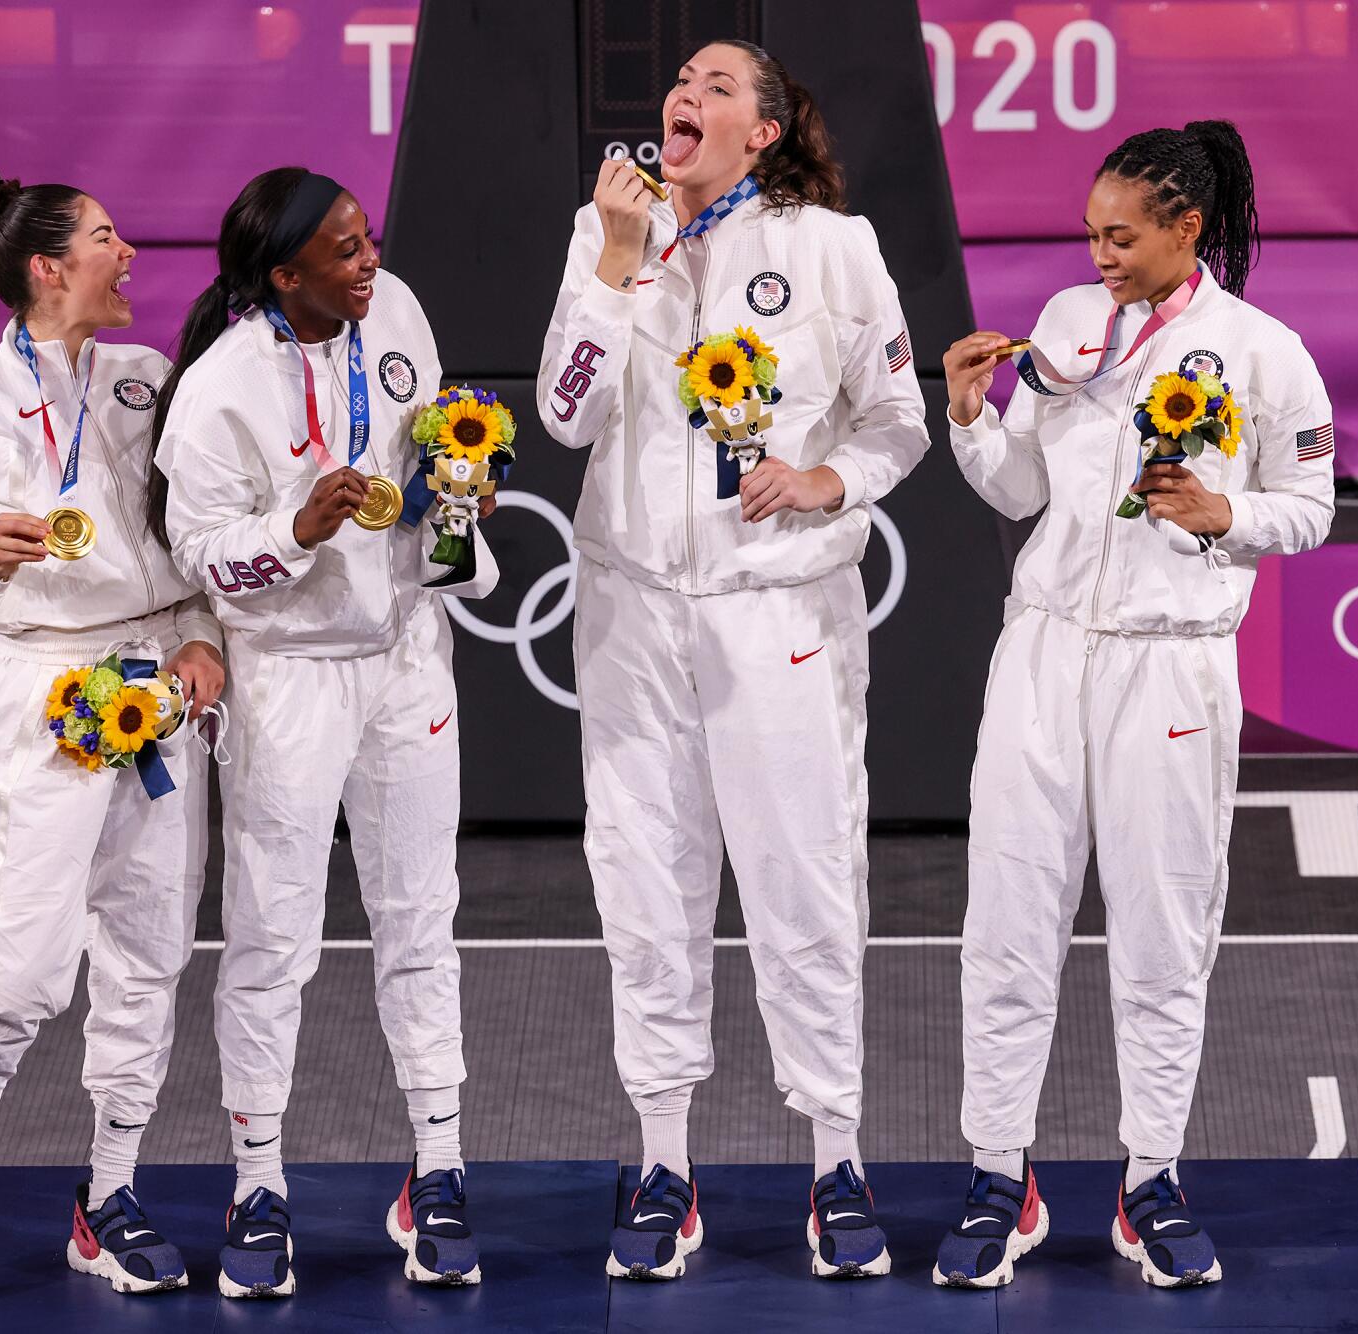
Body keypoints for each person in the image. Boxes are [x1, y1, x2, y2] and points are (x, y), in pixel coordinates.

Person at [537, 39, 929, 1281]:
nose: (683, 100)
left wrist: (826, 478)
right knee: (643, 876)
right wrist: (608, 266)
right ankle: (663, 1162)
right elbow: (561, 411)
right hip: (631, 612)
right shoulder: (608, 235)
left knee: (803, 876)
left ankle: (835, 1158)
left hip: (777, 610)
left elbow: (898, 421)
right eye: (678, 86)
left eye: (716, 87)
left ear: (764, 132)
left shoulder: (832, 248)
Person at [934, 120, 1334, 1291]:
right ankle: (996, 1176)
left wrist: (1227, 517)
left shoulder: (1262, 353)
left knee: (1162, 931)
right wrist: (968, 417)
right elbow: (1018, 490)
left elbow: (1307, 505)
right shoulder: (1063, 326)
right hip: (1043, 652)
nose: (1097, 253)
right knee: (1006, 918)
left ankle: (1147, 1180)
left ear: (1185, 227)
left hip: (1171, 663)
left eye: (1120, 234)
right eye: (1088, 232)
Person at [152, 167, 499, 1297]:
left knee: (420, 914)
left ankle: (438, 1165)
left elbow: (435, 432)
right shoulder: (217, 390)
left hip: (403, 657)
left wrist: (463, 484)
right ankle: (258, 1180)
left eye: (368, 240)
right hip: (287, 675)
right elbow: (200, 554)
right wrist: (295, 527)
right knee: (271, 936)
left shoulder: (392, 310)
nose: (369, 263)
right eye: (344, 252)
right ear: (280, 274)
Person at [0, 168, 225, 1306]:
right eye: (103, 237)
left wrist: (201, 640)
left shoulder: (148, 383)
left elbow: (186, 537)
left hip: (157, 683)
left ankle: (111, 1192)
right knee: (23, 967)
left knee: (147, 952)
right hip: (43, 681)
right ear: (48, 267)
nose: (126, 250)